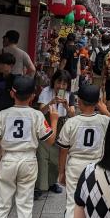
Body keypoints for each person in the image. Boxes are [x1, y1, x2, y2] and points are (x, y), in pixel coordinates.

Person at [0, 77, 59, 218]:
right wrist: (54, 121)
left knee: (1, 205)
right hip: (28, 160)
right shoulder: (36, 115)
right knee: (24, 205)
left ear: (12, 93)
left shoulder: (2, 115)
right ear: (32, 96)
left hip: (8, 159)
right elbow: (50, 140)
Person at [57, 85, 110, 218]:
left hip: (75, 165)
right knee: (95, 204)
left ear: (78, 102)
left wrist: (61, 172)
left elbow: (63, 150)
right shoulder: (104, 121)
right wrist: (105, 110)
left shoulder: (71, 123)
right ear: (97, 102)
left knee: (71, 204)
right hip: (96, 166)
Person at [36, 70, 75, 198]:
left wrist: (66, 106)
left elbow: (72, 115)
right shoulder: (46, 91)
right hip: (46, 122)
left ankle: (52, 182)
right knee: (42, 155)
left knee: (55, 155)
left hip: (61, 123)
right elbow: (41, 111)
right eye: (59, 82)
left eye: (64, 83)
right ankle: (40, 186)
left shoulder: (70, 94)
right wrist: (51, 103)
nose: (61, 86)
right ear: (54, 81)